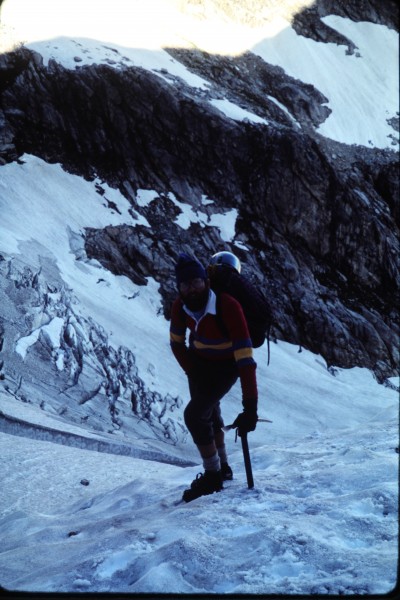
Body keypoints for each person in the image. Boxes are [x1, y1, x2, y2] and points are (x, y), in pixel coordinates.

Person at [169, 252, 258, 502]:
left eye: (195, 281)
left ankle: (212, 476)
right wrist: (194, 371)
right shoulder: (179, 306)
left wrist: (250, 407)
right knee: (210, 414)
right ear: (179, 287)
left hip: (224, 368)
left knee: (195, 415)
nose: (191, 288)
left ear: (206, 281)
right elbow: (176, 343)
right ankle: (223, 468)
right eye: (185, 284)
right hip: (198, 364)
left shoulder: (228, 306)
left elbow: (245, 358)